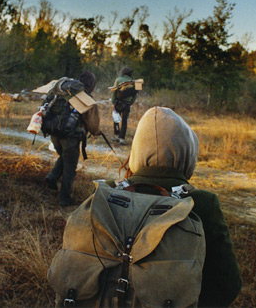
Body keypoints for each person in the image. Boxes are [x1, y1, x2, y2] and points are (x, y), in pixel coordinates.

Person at [112, 106, 242, 307]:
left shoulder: (108, 192)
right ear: (188, 152)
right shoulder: (201, 203)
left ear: (136, 149)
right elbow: (227, 284)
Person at [45, 70, 101, 207]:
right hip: (70, 137)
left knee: (65, 157)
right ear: (92, 85)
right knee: (70, 167)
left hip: (53, 132)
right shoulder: (85, 98)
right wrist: (97, 132)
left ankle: (52, 177)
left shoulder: (63, 90)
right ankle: (64, 197)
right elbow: (93, 126)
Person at [111, 67, 137, 145]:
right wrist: (131, 102)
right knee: (124, 121)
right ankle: (122, 138)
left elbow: (113, 92)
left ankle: (116, 135)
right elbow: (135, 95)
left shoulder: (118, 80)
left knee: (116, 119)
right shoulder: (134, 82)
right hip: (127, 104)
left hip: (118, 103)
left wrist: (113, 102)